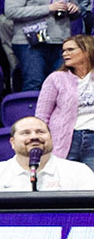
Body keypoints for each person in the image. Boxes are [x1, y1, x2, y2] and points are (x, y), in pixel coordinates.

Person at [5, 0, 86, 91]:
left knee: (61, 85)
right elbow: (11, 11)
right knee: (34, 83)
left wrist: (73, 9)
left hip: (59, 41)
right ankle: (32, 114)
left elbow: (76, 8)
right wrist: (48, 8)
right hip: (30, 43)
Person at [0, 116, 94, 191]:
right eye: (26, 133)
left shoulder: (79, 172)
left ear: (51, 138)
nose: (34, 137)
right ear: (12, 142)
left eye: (40, 132)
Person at [35, 34, 94, 167]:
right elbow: (42, 115)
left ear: (87, 50)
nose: (65, 54)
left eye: (70, 50)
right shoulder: (56, 78)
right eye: (63, 51)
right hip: (65, 139)